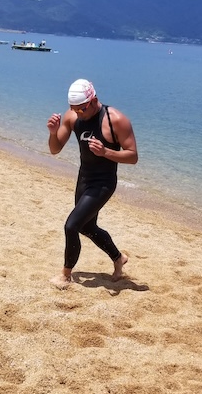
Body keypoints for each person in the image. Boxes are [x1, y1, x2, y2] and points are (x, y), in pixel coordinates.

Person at [46, 79, 138, 288]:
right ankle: (118, 258)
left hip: (104, 182)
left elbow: (133, 156)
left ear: (93, 100)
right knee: (87, 227)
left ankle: (65, 275)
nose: (78, 113)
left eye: (81, 109)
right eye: (74, 109)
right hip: (84, 178)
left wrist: (106, 152)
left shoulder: (116, 120)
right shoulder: (73, 116)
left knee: (71, 226)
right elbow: (55, 149)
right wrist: (53, 132)